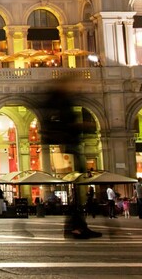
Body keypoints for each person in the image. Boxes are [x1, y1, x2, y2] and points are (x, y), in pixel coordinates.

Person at [39, 73, 100, 239]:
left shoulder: (61, 100)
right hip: (68, 149)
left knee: (78, 191)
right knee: (78, 190)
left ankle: (76, 226)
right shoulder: (59, 101)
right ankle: (77, 227)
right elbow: (56, 126)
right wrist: (79, 125)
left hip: (70, 147)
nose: (76, 87)